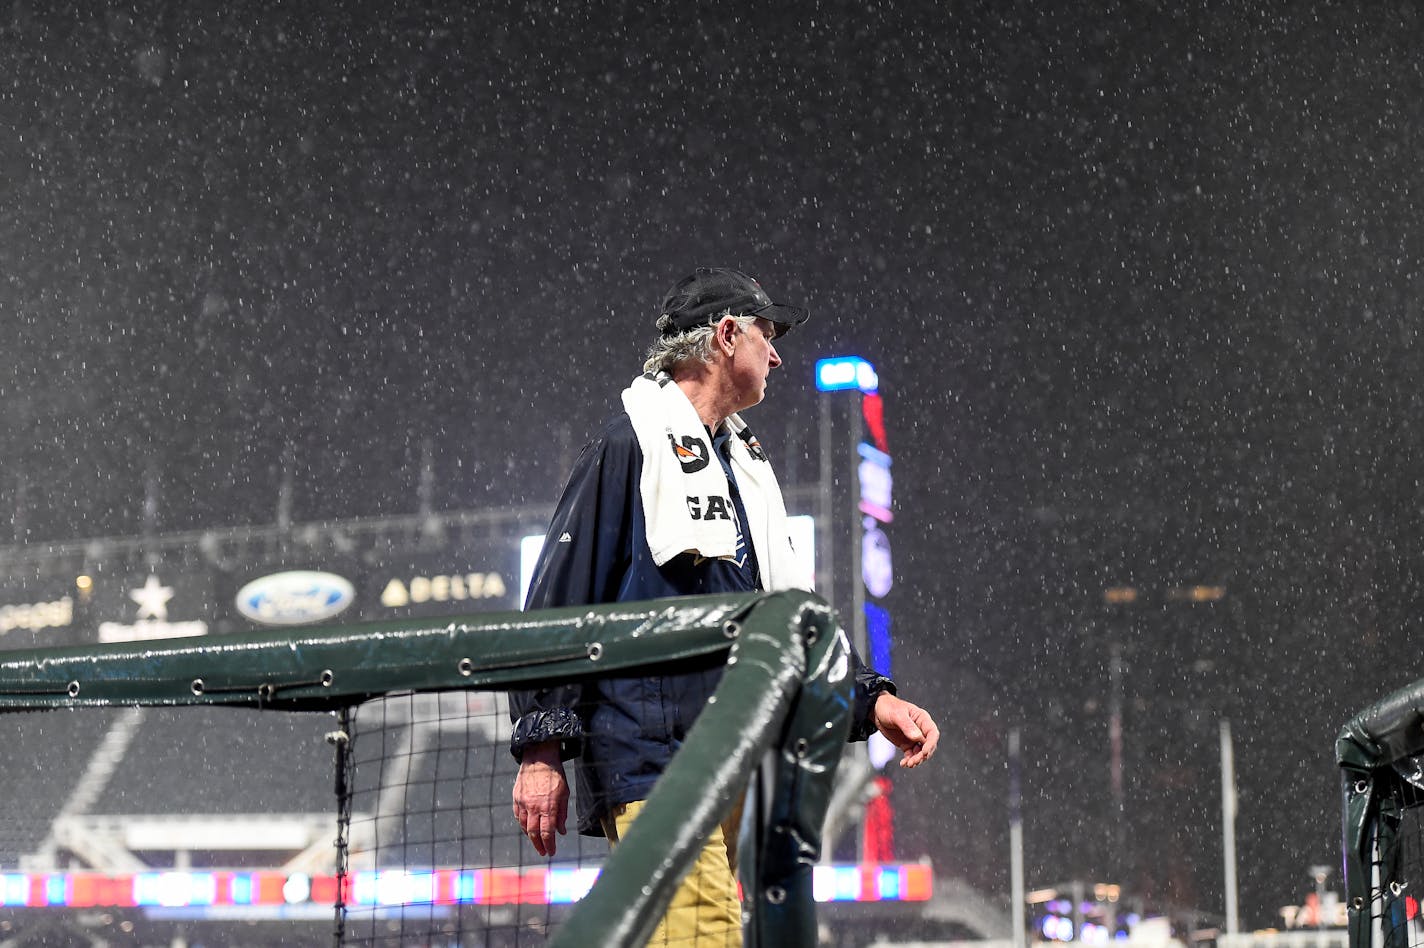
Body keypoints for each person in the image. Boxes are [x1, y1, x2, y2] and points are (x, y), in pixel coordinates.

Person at [510, 266, 939, 946]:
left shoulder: (742, 464)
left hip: (734, 760)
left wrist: (871, 698)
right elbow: (558, 597)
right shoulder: (628, 442)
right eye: (766, 335)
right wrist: (540, 750)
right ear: (726, 334)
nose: (776, 354)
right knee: (704, 934)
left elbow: (793, 615)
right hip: (655, 763)